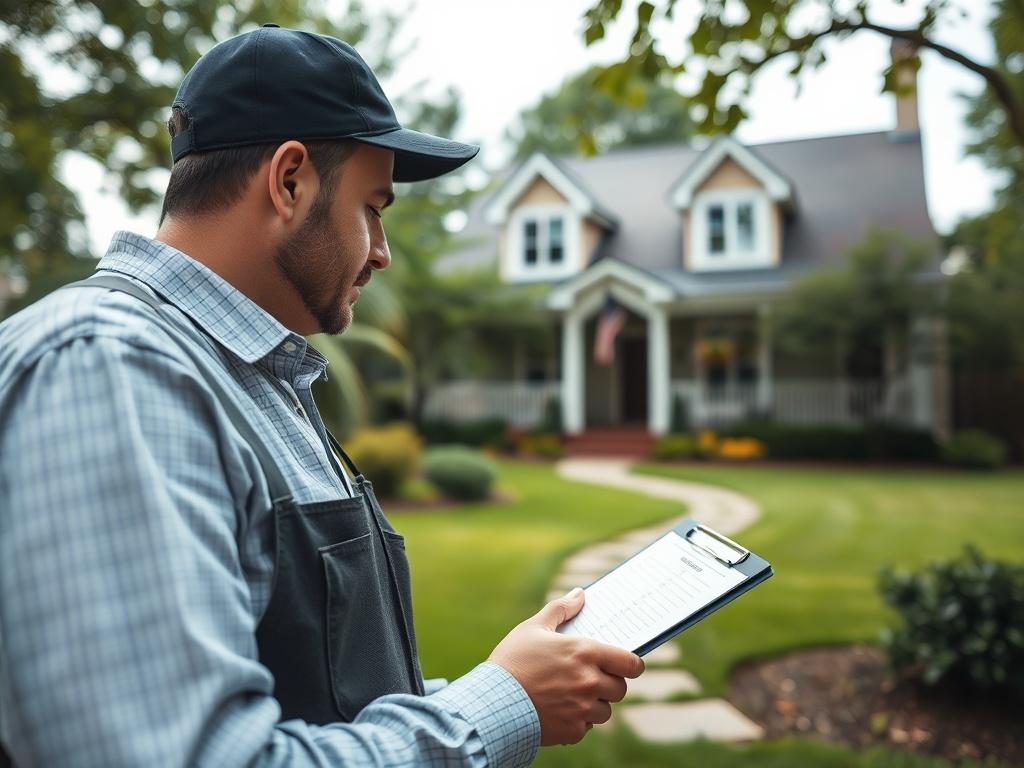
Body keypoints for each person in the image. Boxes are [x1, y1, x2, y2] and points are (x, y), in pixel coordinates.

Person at [0, 25, 643, 767]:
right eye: (372, 206)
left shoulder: (245, 371)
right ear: (290, 180)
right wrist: (494, 711)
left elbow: (315, 692)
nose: (381, 250)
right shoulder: (112, 370)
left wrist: (499, 688)